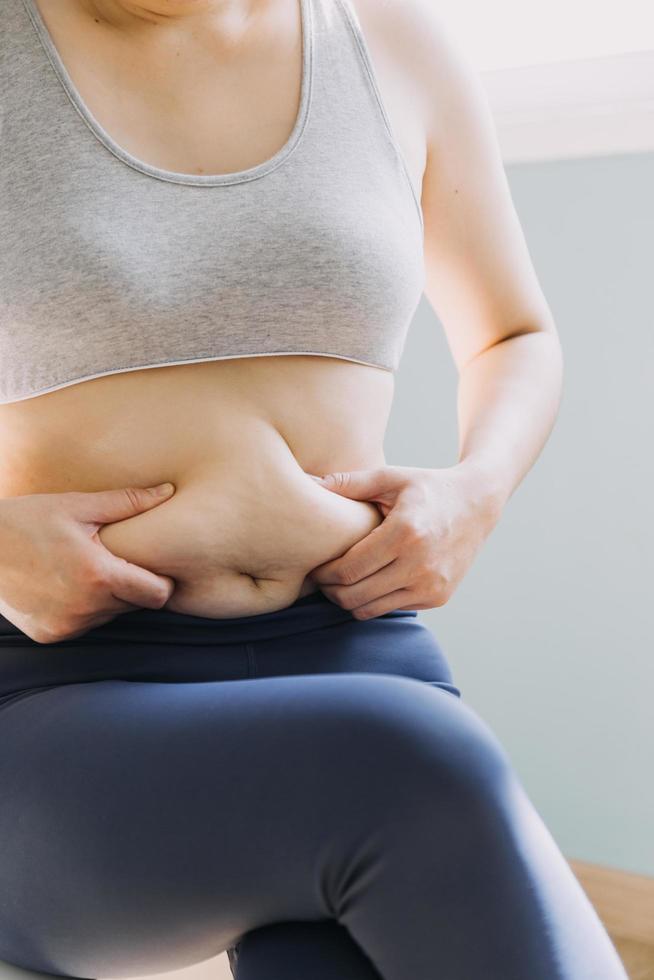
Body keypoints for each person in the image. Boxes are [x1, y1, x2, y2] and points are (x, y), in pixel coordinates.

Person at [0, 0, 628, 978]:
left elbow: (515, 335)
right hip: (59, 694)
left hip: (355, 644)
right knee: (409, 765)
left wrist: (478, 489)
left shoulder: (393, 40)